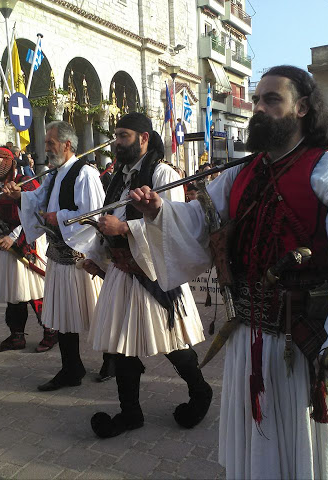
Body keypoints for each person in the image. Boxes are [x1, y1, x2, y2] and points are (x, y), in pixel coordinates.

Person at [130, 65, 328, 479]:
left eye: (272, 100)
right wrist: (158, 212)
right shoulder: (241, 173)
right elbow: (201, 226)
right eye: (257, 100)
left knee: (311, 454)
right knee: (261, 452)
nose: (259, 108)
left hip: (308, 344)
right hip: (248, 338)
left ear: (303, 108)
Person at [82, 112, 210, 438]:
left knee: (172, 342)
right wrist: (97, 252)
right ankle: (130, 413)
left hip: (155, 275)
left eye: (122, 136)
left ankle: (200, 392)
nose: (116, 143)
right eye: (115, 135)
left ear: (143, 138)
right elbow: (108, 220)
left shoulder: (163, 173)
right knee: (123, 346)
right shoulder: (118, 177)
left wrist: (125, 227)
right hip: (124, 272)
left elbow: (174, 225)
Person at [4, 121, 104, 391]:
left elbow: (94, 215)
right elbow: (36, 199)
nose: (45, 148)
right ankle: (72, 368)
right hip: (58, 258)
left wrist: (57, 217)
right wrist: (18, 196)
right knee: (63, 318)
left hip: (82, 260)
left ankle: (113, 361)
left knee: (100, 316)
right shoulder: (54, 174)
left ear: (66, 145)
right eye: (46, 143)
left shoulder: (85, 174)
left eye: (50, 143)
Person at [0, 147, 57, 353]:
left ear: (9, 161)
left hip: (26, 243)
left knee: (35, 292)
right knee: (14, 292)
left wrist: (14, 237)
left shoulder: (26, 181)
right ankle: (17, 336)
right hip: (7, 246)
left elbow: (36, 214)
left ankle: (51, 332)